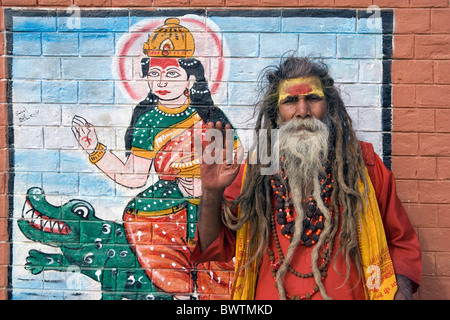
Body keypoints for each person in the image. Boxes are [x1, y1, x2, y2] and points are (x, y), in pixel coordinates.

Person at [192, 56, 421, 300]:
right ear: (276, 112)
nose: (303, 112)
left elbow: (401, 245)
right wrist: (211, 193)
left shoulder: (361, 164)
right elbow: (213, 246)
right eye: (290, 101)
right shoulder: (260, 167)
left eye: (312, 98)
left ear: (329, 106)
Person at [72, 18, 239, 298]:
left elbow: (235, 163)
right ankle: (180, 293)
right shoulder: (147, 120)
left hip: (214, 195)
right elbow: (134, 176)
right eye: (155, 73)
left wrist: (208, 186)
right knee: (139, 217)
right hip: (168, 200)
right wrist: (95, 149)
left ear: (190, 78)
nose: (161, 82)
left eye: (172, 74)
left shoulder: (210, 116)